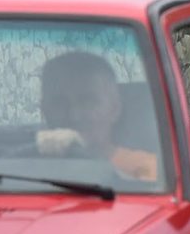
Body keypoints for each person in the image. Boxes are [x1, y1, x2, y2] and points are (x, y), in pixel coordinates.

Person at [37, 51, 159, 183]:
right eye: (59, 103)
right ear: (45, 110)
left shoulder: (144, 169)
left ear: (114, 109)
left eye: (88, 102)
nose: (74, 115)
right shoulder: (23, 169)